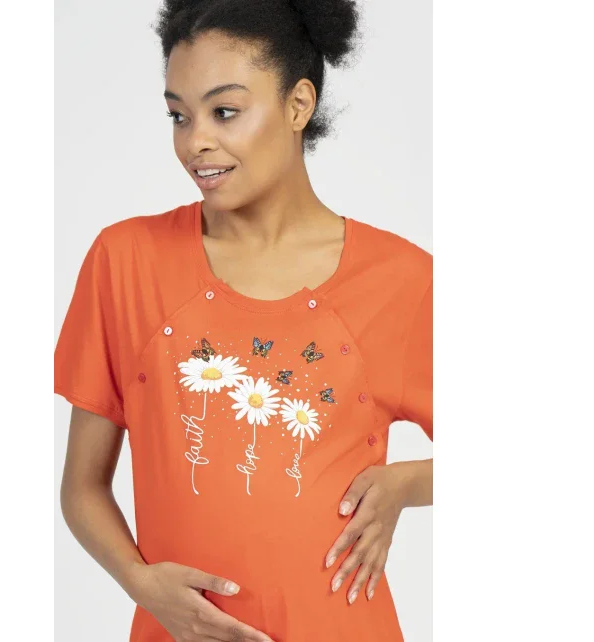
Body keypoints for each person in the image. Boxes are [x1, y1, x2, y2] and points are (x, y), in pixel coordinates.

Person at [54, 0, 432, 640]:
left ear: (298, 104)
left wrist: (407, 483)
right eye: (178, 115)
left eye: (224, 111)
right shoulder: (127, 261)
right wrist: (142, 585)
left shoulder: (400, 279)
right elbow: (82, 488)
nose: (194, 142)